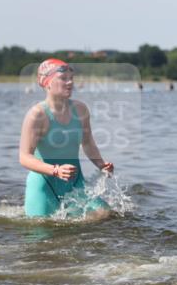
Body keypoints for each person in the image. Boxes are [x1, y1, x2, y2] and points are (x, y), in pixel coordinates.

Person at [19, 59, 115, 218]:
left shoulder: (80, 109)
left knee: (104, 214)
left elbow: (88, 142)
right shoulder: (37, 115)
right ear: (47, 82)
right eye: (64, 78)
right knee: (42, 236)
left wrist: (101, 164)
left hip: (75, 183)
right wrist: (55, 170)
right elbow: (24, 157)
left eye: (72, 78)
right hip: (44, 185)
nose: (70, 82)